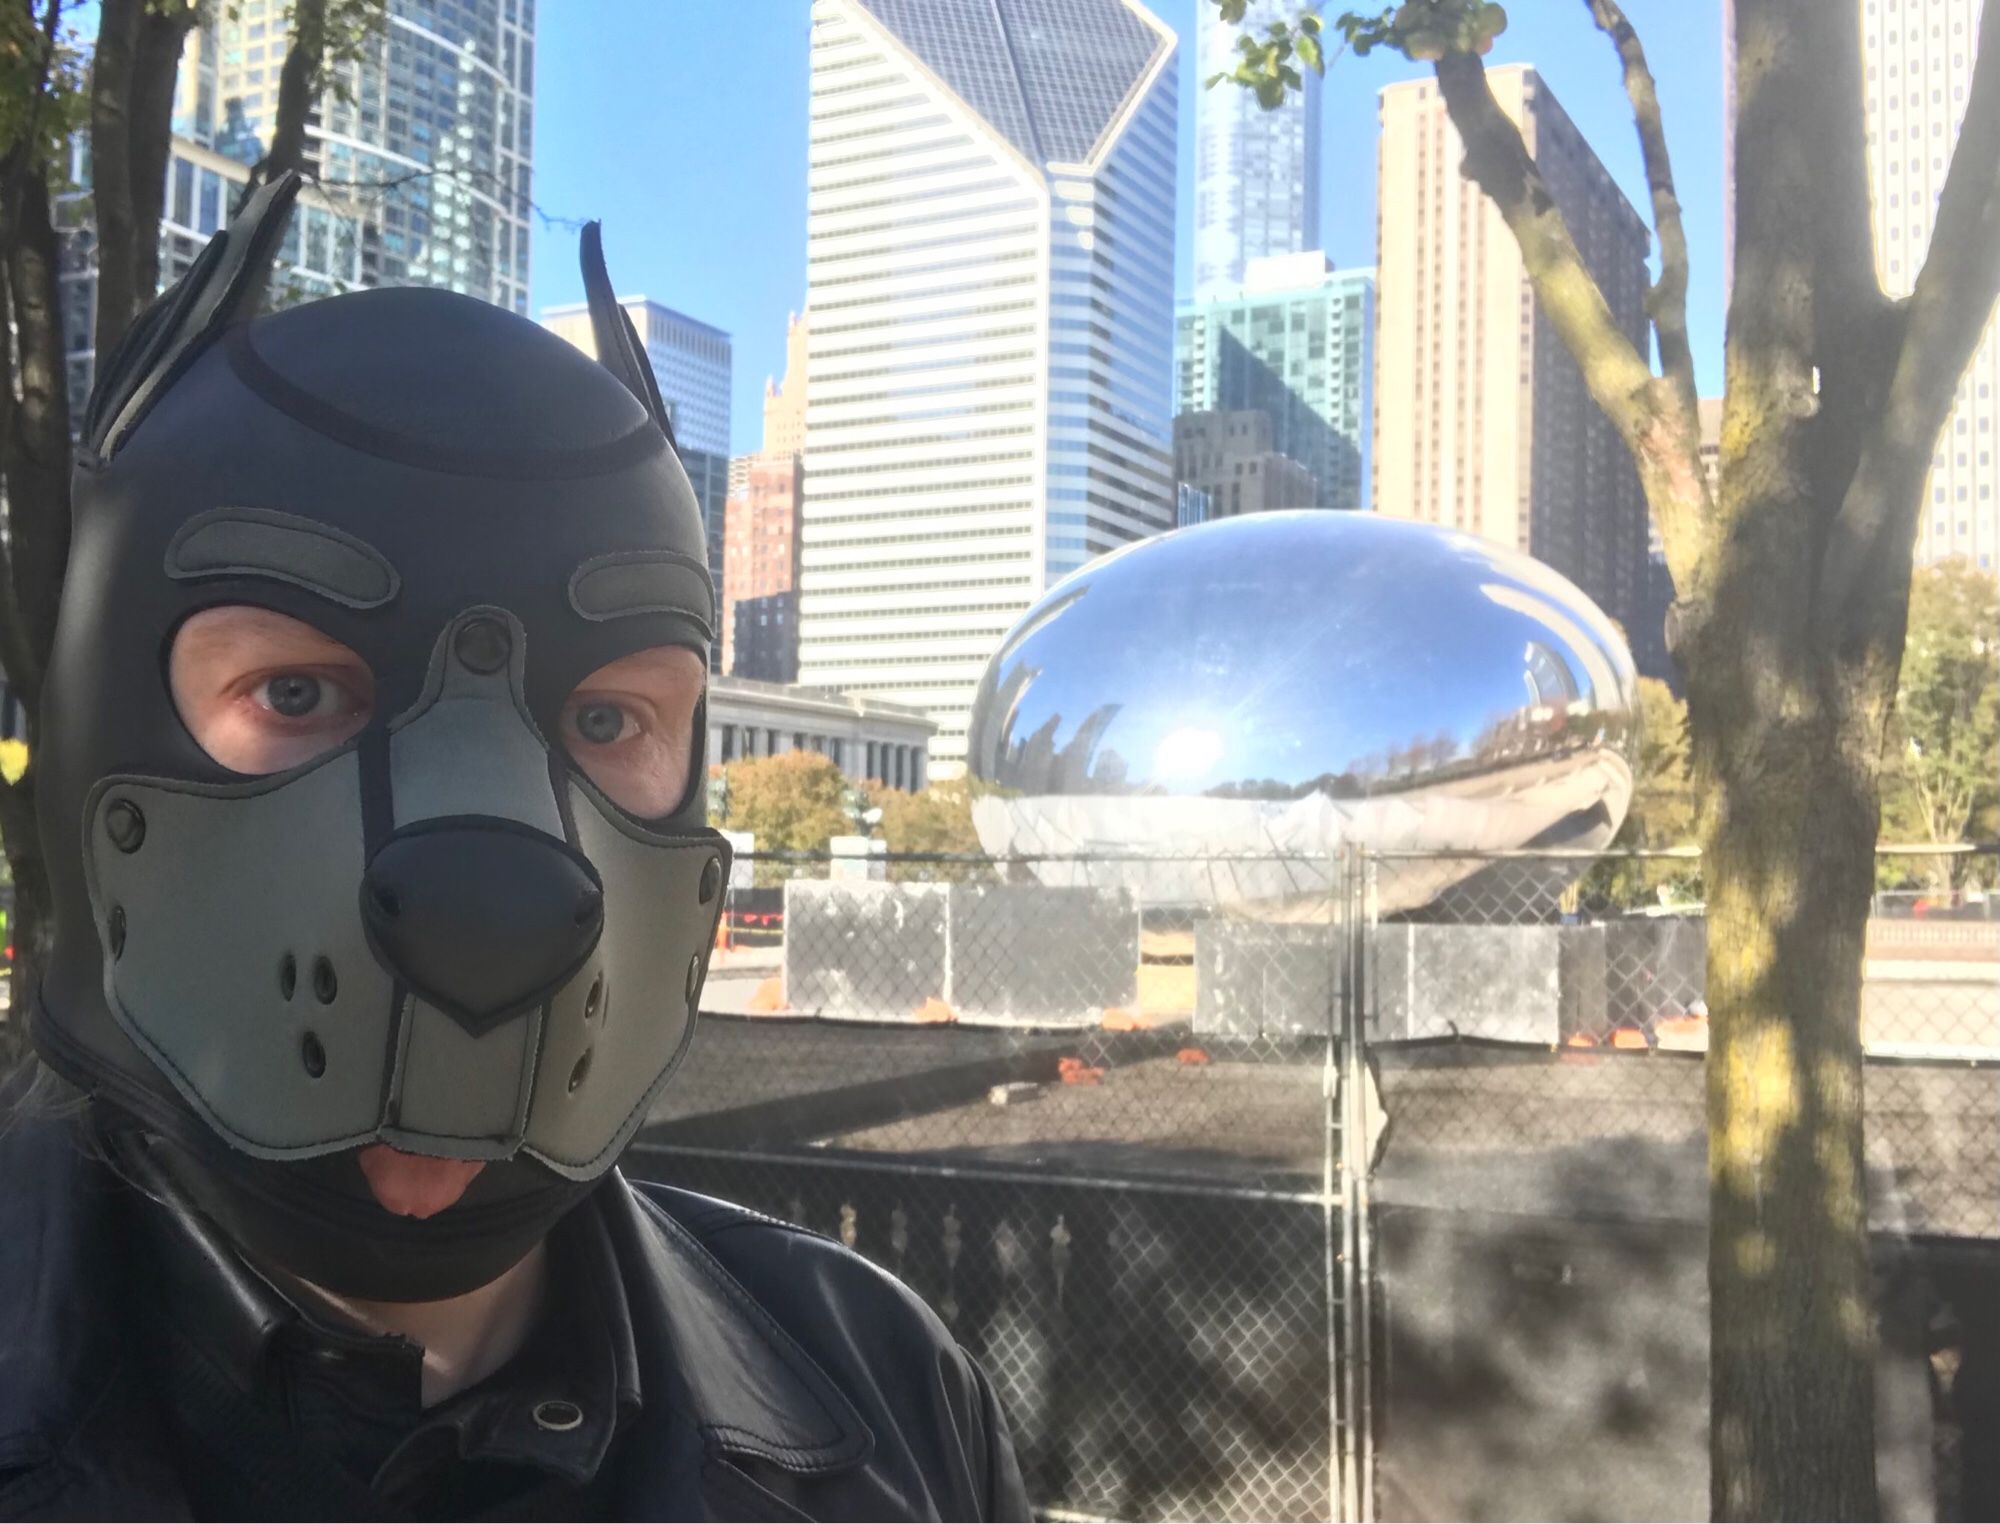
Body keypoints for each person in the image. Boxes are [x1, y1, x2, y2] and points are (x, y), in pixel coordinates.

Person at [0, 175, 1029, 1522]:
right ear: (92, 746)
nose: (494, 890)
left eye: (609, 716)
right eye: (298, 694)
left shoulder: (886, 1391)